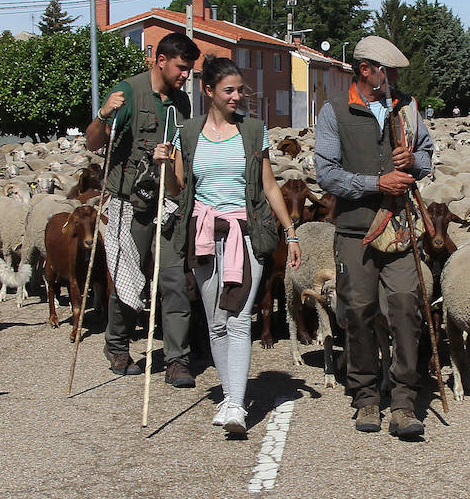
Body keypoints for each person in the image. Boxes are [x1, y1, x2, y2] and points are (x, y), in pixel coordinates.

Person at [165, 57, 302, 435]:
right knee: (216, 322)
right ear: (209, 91)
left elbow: (270, 186)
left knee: (240, 318)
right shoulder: (188, 133)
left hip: (246, 231)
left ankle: (238, 406)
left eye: (240, 90)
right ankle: (229, 396)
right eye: (229, 90)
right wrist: (164, 162)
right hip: (205, 233)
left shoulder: (253, 131)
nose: (237, 97)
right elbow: (178, 187)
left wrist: (290, 232)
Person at [313, 35, 434, 439]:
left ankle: (403, 402)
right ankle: (365, 396)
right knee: (359, 311)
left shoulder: (408, 108)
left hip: (400, 228)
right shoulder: (335, 112)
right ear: (366, 69)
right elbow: (326, 173)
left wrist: (414, 160)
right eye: (389, 70)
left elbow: (429, 157)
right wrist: (375, 182)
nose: (395, 78)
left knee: (404, 306)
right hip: (355, 228)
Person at [85, 33, 198, 385]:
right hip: (129, 203)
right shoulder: (129, 93)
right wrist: (103, 115)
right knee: (129, 279)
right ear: (160, 60)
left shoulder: (181, 104)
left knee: (174, 280)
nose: (185, 76)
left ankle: (178, 359)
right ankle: (117, 344)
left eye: (190, 69)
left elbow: (180, 152)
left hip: (166, 200)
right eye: (181, 67)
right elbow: (93, 142)